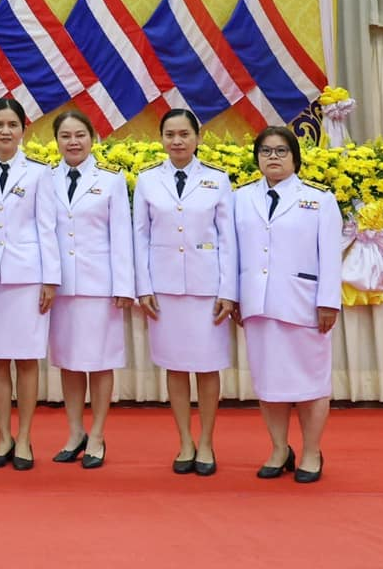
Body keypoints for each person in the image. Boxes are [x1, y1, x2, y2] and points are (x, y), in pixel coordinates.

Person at [235, 125, 343, 484]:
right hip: (259, 307)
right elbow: (234, 254)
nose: (273, 158)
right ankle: (279, 448)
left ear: (295, 158)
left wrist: (328, 302)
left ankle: (312, 450)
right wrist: (234, 297)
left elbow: (330, 255)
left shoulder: (319, 199)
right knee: (269, 384)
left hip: (304, 306)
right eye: (266, 152)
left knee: (310, 383)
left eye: (281, 151)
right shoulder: (241, 198)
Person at [132, 108, 236, 476]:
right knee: (175, 368)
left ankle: (206, 442)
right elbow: (139, 237)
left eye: (184, 134)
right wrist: (143, 287)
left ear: (197, 137)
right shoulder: (147, 181)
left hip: (208, 289)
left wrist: (229, 290)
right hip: (165, 290)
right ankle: (185, 442)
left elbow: (229, 240)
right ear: (161, 139)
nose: (177, 141)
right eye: (170, 134)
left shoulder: (217, 181)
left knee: (207, 369)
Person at [0, 98, 59, 470]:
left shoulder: (40, 173)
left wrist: (50, 279)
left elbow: (47, 228)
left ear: (24, 129)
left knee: (25, 360)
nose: (5, 131)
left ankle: (24, 438)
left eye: (12, 124)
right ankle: (3, 436)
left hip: (27, 277)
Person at [45, 108, 133, 469]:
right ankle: (74, 431)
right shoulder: (45, 179)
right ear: (57, 141)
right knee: (68, 362)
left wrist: (124, 285)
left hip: (100, 285)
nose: (73, 142)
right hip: (61, 285)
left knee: (98, 363)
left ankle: (97, 434)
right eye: (65, 136)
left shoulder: (110, 179)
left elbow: (121, 237)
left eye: (80, 135)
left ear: (93, 138)